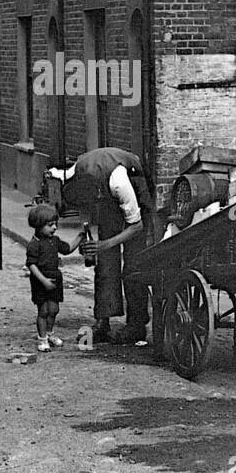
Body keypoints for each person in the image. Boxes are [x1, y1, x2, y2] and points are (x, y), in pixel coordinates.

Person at [48, 147, 156, 345]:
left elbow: (136, 226)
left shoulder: (119, 183)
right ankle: (102, 322)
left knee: (134, 265)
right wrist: (90, 240)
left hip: (135, 188)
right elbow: (74, 193)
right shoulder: (74, 173)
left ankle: (136, 325)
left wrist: (104, 244)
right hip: (106, 196)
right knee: (105, 264)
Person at [25, 204, 80, 353]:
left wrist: (80, 237)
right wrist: (43, 280)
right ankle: (42, 338)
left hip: (55, 278)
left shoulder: (54, 240)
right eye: (50, 225)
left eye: (55, 224)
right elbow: (31, 265)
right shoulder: (34, 244)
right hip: (40, 281)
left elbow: (67, 249)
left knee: (54, 309)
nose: (54, 227)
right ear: (38, 225)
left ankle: (50, 333)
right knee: (43, 310)